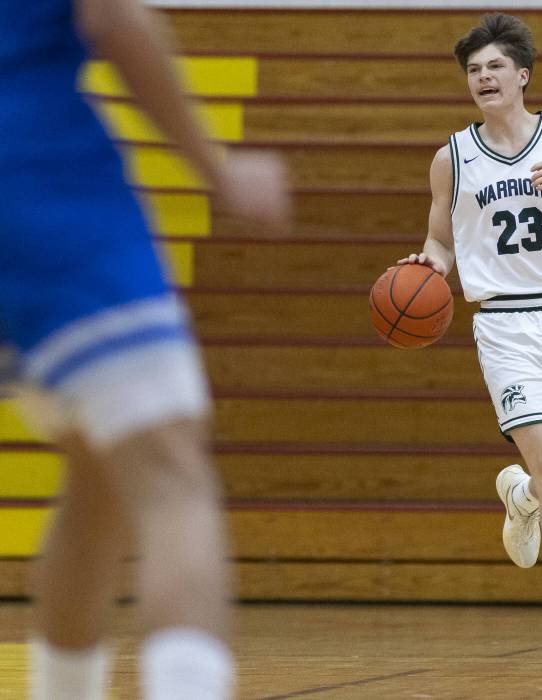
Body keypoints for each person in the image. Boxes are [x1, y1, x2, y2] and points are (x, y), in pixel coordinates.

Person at [0, 1, 290, 698]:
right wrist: (217, 171)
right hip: (33, 170)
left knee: (101, 467)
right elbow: (116, 18)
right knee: (169, 473)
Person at [397, 13, 542, 672]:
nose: (483, 78)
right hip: (503, 324)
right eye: (474, 71)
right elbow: (440, 239)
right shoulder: (452, 157)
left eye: (494, 67)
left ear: (522, 75)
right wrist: (427, 270)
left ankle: (521, 497)